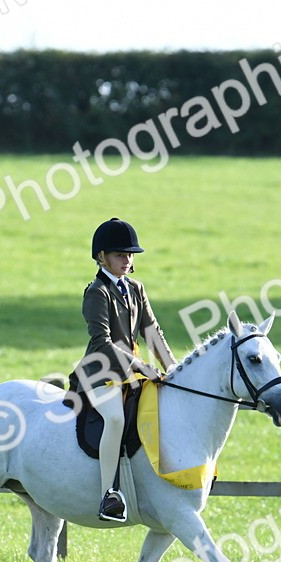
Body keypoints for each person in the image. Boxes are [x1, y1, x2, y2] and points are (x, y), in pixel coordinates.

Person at [73, 218, 177, 523]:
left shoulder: (136, 288)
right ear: (102, 256)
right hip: (100, 373)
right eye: (120, 255)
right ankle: (109, 494)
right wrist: (141, 365)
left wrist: (172, 367)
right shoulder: (97, 292)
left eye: (130, 255)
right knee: (116, 418)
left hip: (133, 374)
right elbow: (101, 342)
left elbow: (152, 332)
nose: (127, 260)